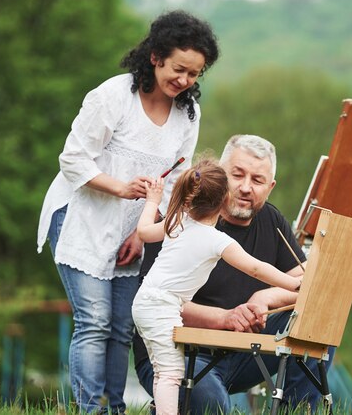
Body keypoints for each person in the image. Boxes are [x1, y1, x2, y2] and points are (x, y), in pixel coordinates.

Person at [36, 10, 219, 414]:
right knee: (95, 321)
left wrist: (143, 231)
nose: (185, 81)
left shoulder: (188, 114)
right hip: (80, 217)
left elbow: (175, 180)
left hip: (132, 226)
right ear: (155, 57)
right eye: (179, 69)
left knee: (121, 327)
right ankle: (91, 410)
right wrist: (120, 187)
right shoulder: (112, 97)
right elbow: (73, 160)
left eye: (194, 74)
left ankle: (114, 409)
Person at [133, 134, 335, 414]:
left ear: (270, 187)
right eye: (237, 175)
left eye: (257, 180)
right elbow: (156, 302)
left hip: (242, 353)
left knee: (319, 317)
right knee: (211, 402)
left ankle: (297, 411)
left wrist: (264, 297)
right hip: (182, 351)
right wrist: (224, 319)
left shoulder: (272, 220)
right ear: (217, 177)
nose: (245, 187)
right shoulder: (182, 219)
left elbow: (306, 284)